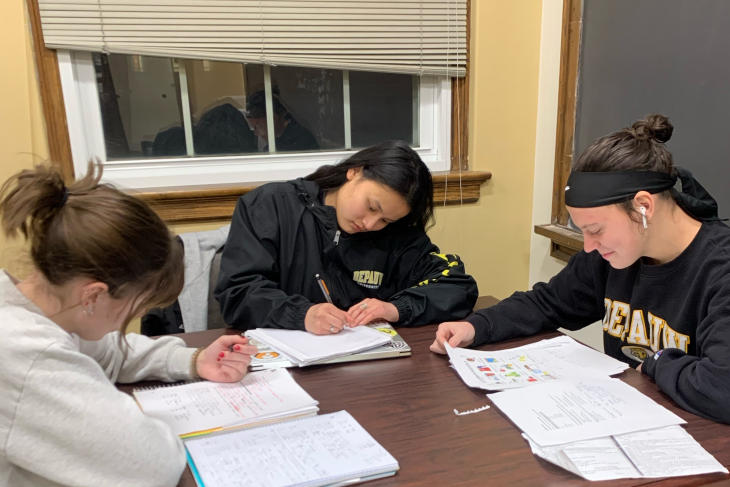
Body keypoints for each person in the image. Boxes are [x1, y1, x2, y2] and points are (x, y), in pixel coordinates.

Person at [430, 114, 730, 424]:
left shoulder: (720, 270)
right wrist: (477, 326)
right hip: (627, 415)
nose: (588, 246)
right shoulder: (611, 255)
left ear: (643, 207)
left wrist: (656, 362)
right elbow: (548, 303)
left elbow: (723, 389)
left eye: (596, 229)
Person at [0, 163, 257, 487]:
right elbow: (152, 465)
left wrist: (193, 359)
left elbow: (108, 351)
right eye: (135, 308)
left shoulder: (39, 307)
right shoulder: (26, 354)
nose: (128, 322)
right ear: (93, 296)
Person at [215, 140, 479, 335]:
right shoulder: (270, 205)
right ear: (354, 171)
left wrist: (396, 308)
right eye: (372, 207)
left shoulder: (399, 235)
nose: (370, 224)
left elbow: (457, 285)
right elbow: (237, 293)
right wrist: (302, 314)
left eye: (386, 220)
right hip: (285, 368)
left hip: (369, 372)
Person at [244, 88, 320, 152]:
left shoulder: (299, 140)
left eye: (257, 126)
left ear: (272, 118)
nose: (256, 133)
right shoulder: (277, 140)